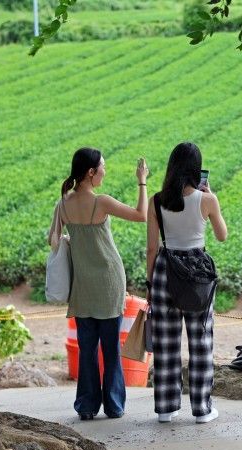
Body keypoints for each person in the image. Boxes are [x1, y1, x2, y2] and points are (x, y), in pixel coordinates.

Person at [49, 147, 149, 420]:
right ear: (91, 172)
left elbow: (53, 241)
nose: (104, 171)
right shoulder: (101, 202)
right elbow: (142, 214)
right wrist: (142, 180)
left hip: (82, 286)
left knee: (87, 350)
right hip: (109, 281)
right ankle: (114, 406)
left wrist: (74, 240)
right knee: (111, 349)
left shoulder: (63, 204)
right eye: (102, 167)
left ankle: (86, 406)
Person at [146, 142, 227, 424]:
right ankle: (202, 409)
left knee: (166, 343)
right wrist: (210, 196)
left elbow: (151, 248)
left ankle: (166, 409)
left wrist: (149, 282)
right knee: (201, 340)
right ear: (197, 169)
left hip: (164, 271)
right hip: (197, 274)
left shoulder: (157, 201)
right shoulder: (207, 200)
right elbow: (221, 235)